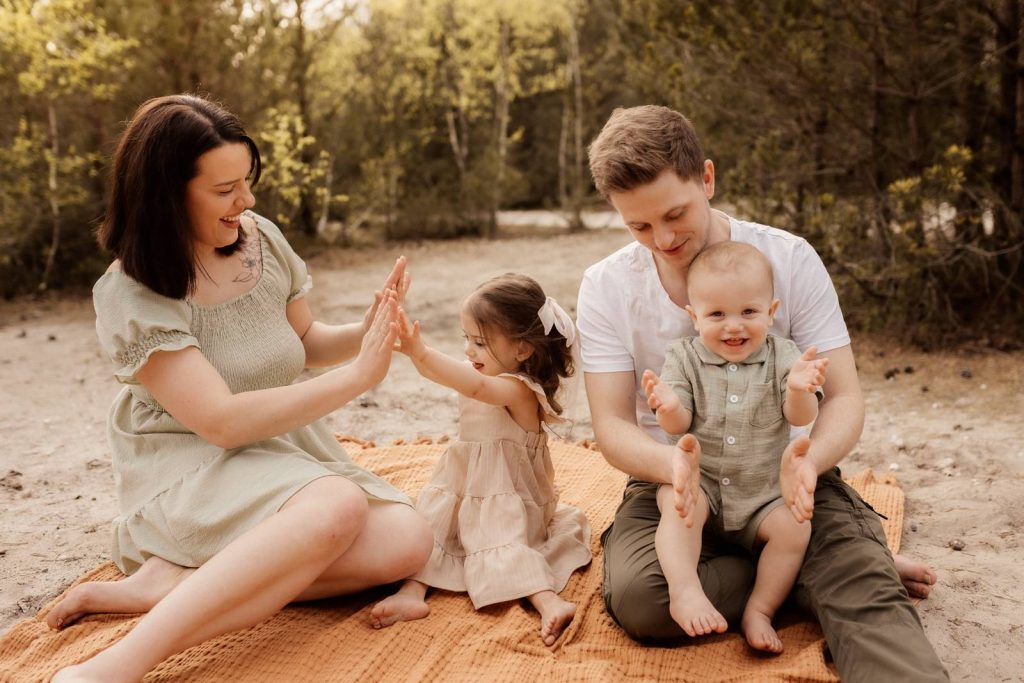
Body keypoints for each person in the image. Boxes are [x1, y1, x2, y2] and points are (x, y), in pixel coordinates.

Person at [46, 94, 433, 683]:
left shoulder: (261, 240)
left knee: (407, 541)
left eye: (247, 182)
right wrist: (357, 378)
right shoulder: (131, 293)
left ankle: (184, 580)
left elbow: (303, 342)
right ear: (167, 196)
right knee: (338, 504)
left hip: (275, 448)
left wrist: (372, 331)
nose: (246, 201)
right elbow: (221, 423)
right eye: (225, 189)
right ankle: (115, 666)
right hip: (190, 464)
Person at [577, 105, 949, 681]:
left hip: (784, 476)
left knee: (866, 601)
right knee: (643, 600)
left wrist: (809, 465)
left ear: (706, 178)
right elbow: (612, 426)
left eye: (675, 214)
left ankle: (838, 567)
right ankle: (815, 570)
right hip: (675, 480)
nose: (664, 239)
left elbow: (844, 398)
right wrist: (672, 467)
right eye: (639, 227)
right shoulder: (604, 286)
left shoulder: (789, 259)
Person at [369, 273, 592, 645]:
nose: (469, 351)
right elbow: (446, 375)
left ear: (522, 350)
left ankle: (549, 602)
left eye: (480, 343)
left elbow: (475, 388)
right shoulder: (481, 371)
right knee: (432, 528)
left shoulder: (519, 389)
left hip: (507, 496)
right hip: (465, 483)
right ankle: (412, 592)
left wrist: (423, 352)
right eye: (466, 339)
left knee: (498, 538)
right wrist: (413, 351)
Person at [641, 240, 828, 653]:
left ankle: (760, 609)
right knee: (677, 502)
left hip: (762, 492)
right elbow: (679, 423)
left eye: (748, 312)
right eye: (717, 315)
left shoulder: (785, 357)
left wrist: (799, 390)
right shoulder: (683, 358)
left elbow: (798, 416)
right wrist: (668, 408)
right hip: (703, 483)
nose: (733, 326)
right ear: (694, 317)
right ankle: (685, 589)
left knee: (795, 527)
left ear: (771, 312)